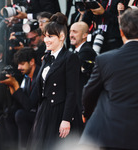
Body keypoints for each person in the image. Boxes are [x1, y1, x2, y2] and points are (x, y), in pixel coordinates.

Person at [79, 9, 138, 149]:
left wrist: (86, 113)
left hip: (109, 134)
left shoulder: (105, 60)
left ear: (121, 31)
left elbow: (89, 93)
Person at [28, 12, 82, 150]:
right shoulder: (46, 57)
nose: (46, 40)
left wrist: (66, 119)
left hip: (61, 112)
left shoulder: (70, 58)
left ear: (62, 36)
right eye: (45, 36)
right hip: (45, 111)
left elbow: (72, 92)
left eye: (50, 36)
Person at [0, 47, 40, 150]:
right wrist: (13, 90)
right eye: (18, 64)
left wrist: (16, 86)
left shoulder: (40, 76)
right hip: (30, 111)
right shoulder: (27, 77)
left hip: (41, 114)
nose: (18, 67)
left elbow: (29, 105)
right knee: (7, 114)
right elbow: (22, 100)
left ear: (31, 62)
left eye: (22, 64)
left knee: (20, 114)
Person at [69, 21, 97, 123]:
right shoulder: (75, 51)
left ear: (85, 35)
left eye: (75, 32)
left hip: (82, 103)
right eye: (70, 31)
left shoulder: (86, 51)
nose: (71, 35)